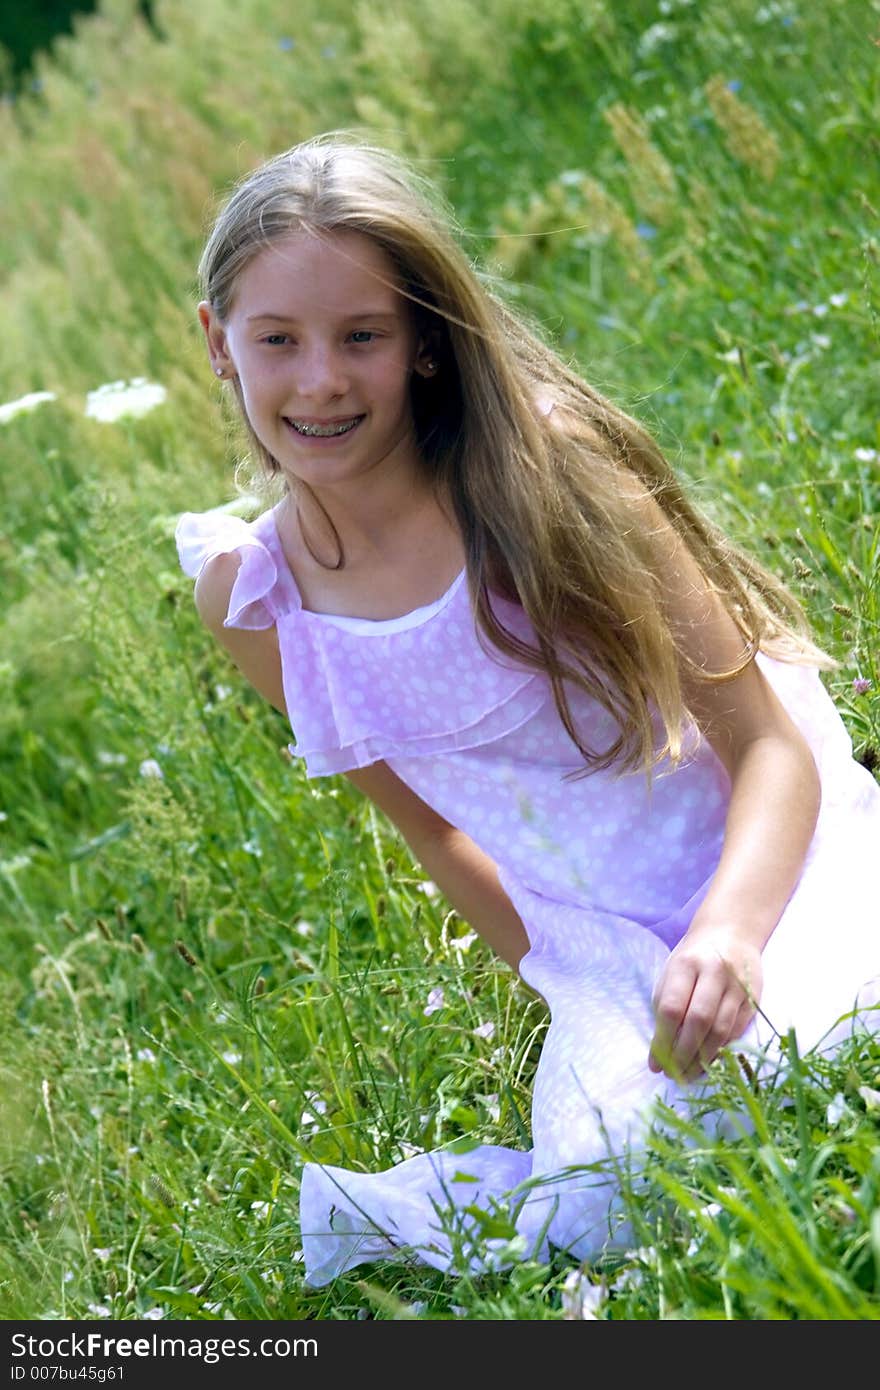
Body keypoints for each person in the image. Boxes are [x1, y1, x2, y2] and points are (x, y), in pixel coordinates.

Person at [176, 132, 880, 1288]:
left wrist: (729, 934)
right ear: (219, 345)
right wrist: (576, 991)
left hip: (762, 867)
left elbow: (768, 747)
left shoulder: (544, 478)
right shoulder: (256, 599)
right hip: (597, 949)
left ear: (424, 346)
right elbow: (429, 831)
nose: (321, 381)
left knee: (821, 1054)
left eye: (363, 336)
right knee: (608, 1192)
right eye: (278, 341)